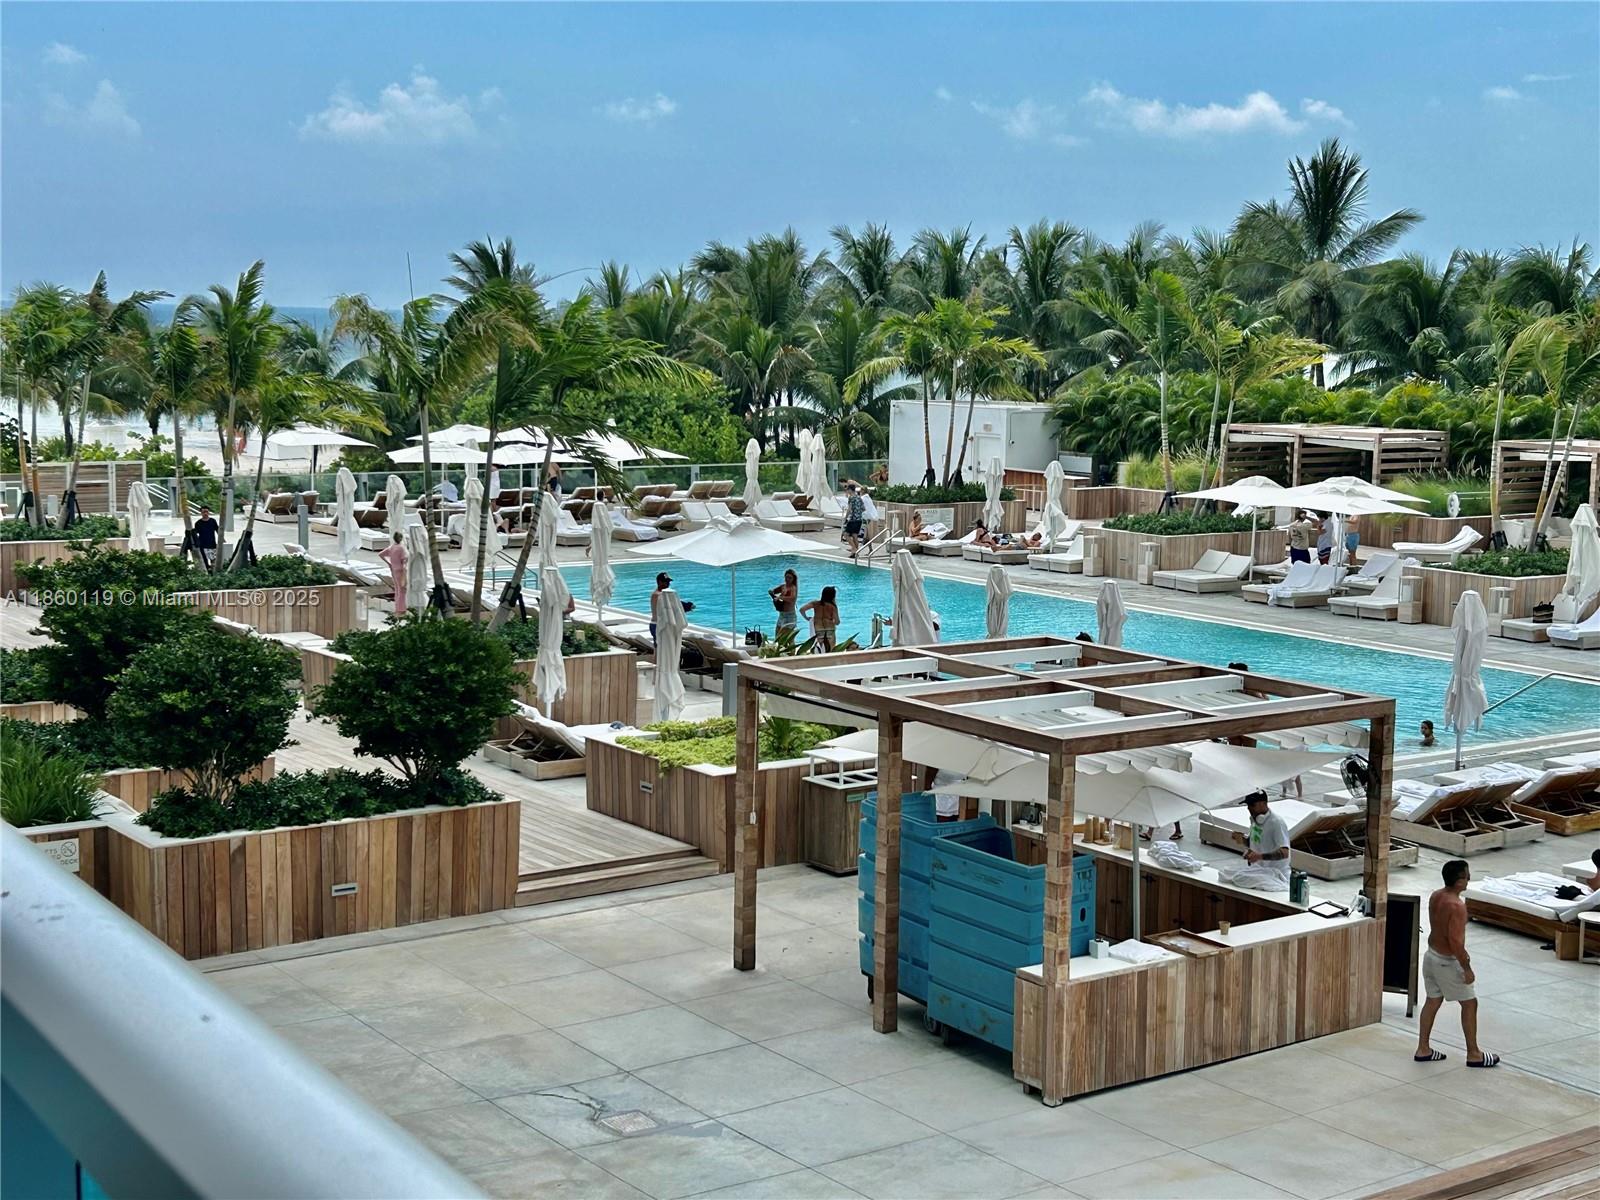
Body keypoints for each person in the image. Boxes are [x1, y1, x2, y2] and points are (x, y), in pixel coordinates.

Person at [1415, 860, 1497, 1067]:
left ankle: (1423, 1048)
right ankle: (1474, 1054)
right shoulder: (1457, 906)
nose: (1469, 878)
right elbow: (1455, 942)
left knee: (1433, 1001)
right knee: (1470, 1003)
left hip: (1431, 956)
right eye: (1466, 875)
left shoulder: (1436, 896)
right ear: (1459, 881)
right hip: (1446, 962)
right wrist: (1466, 968)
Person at [1217, 791, 1291, 891]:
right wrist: (1242, 840)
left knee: (1239, 878)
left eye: (1252, 805)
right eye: (1248, 805)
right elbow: (1256, 843)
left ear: (1263, 804)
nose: (1249, 808)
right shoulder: (1255, 820)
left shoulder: (1276, 823)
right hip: (1258, 870)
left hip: (1275, 873)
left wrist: (1259, 856)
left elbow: (1284, 853)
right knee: (1225, 873)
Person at [801, 586, 840, 651]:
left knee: (820, 650)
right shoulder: (832, 606)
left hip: (818, 629)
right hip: (830, 629)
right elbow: (837, 622)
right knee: (831, 650)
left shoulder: (815, 603)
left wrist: (807, 618)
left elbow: (802, 609)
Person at [379, 530, 408, 615]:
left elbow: (381, 554)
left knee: (397, 589)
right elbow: (404, 562)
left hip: (394, 569)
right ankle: (401, 608)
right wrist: (405, 572)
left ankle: (397, 607)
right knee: (402, 589)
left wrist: (389, 563)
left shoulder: (391, 547)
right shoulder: (401, 548)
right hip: (400, 570)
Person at [769, 568, 799, 638]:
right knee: (777, 637)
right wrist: (772, 593)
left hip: (790, 616)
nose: (787, 579)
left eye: (790, 578)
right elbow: (774, 591)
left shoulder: (793, 588)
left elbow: (792, 599)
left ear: (793, 579)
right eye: (786, 577)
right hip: (782, 615)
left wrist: (780, 597)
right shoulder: (783, 586)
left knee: (786, 638)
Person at [192, 505, 220, 570]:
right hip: (202, 544)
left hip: (212, 544)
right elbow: (196, 534)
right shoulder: (198, 523)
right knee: (204, 561)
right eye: (203, 512)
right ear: (201, 513)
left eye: (207, 512)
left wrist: (222, 539)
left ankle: (213, 571)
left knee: (213, 560)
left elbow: (217, 530)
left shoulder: (213, 521)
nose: (205, 513)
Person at [843, 483, 866, 559]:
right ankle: (855, 553)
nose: (847, 491)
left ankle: (854, 548)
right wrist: (858, 512)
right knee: (854, 535)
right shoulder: (859, 497)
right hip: (859, 519)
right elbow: (863, 509)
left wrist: (845, 518)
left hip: (853, 519)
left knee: (846, 534)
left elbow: (849, 509)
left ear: (850, 490)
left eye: (847, 490)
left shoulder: (851, 498)